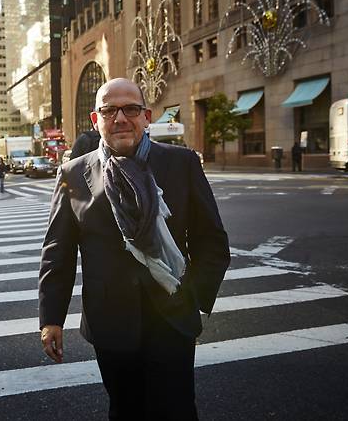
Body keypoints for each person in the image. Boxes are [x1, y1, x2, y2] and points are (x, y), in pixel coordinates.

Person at [39, 78, 230, 420]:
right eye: (109, 110)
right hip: (110, 322)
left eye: (130, 109)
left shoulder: (182, 163)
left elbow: (211, 239)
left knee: (177, 410)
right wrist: (51, 318)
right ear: (96, 120)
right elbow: (59, 250)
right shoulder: (73, 174)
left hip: (173, 318)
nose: (120, 118)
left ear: (146, 116)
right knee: (125, 410)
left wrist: (195, 297)